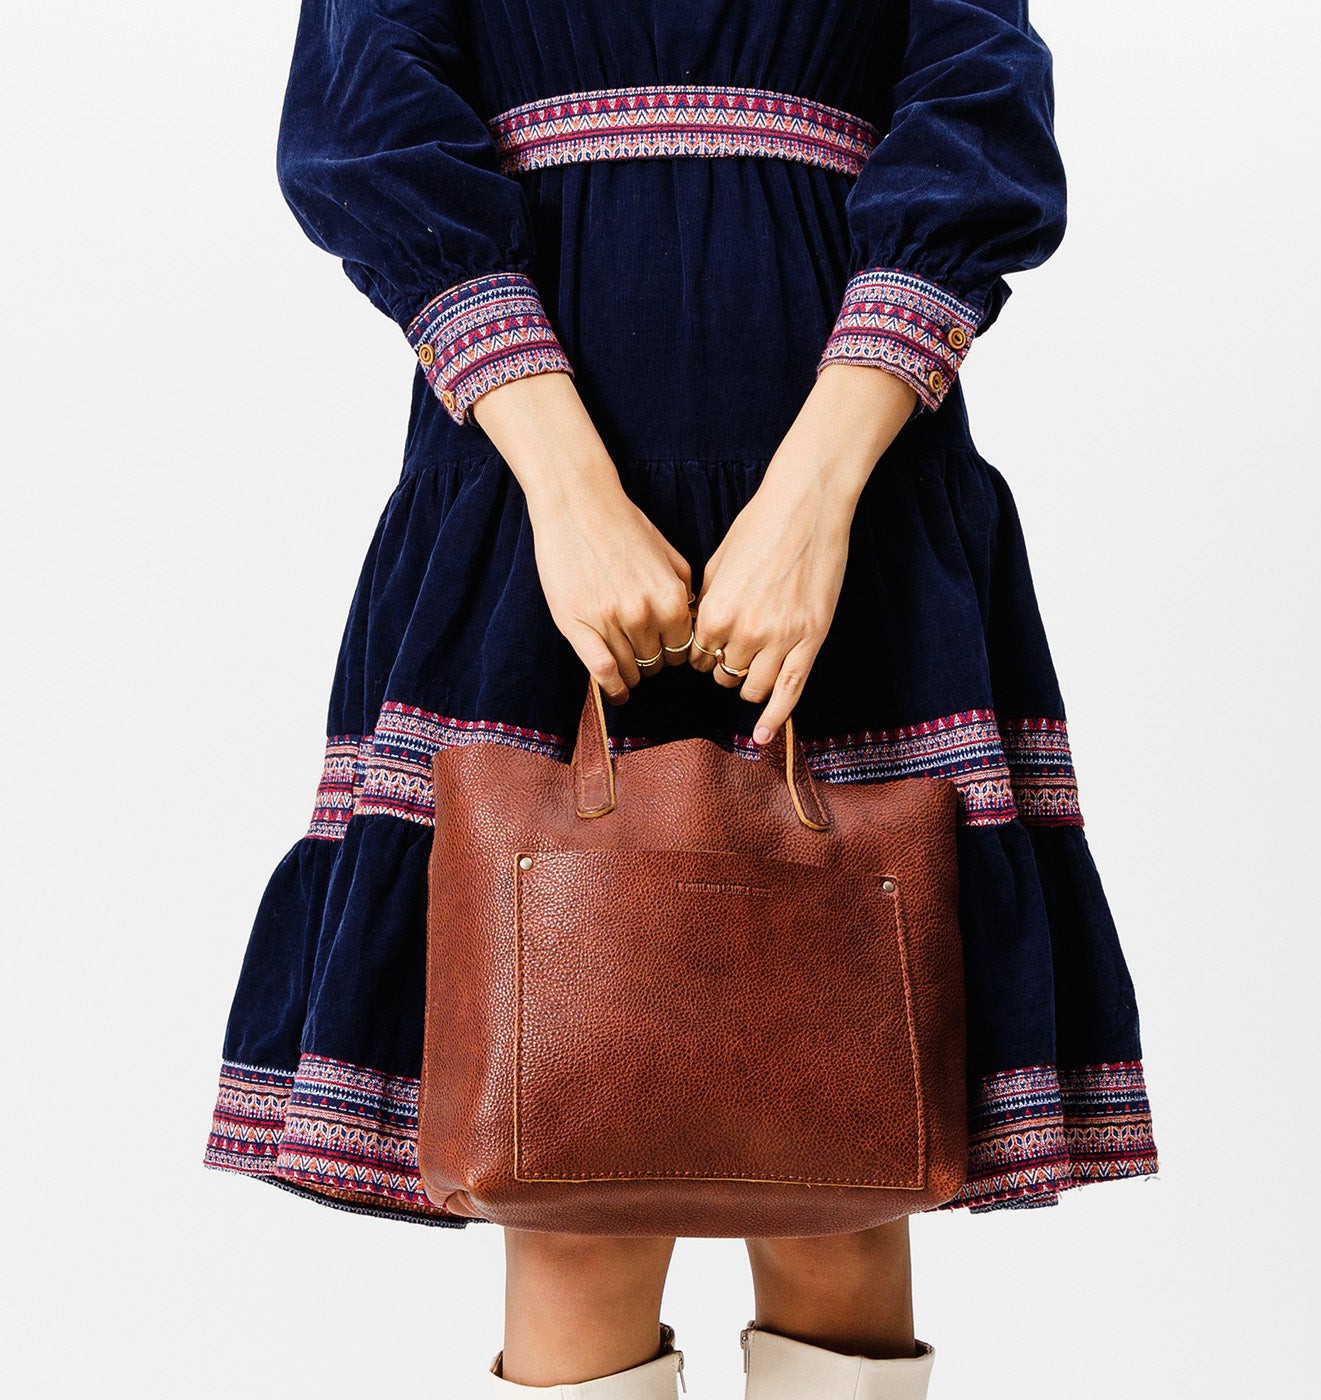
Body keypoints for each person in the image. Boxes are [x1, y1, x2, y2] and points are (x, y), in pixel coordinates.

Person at [203, 2, 1160, 1395]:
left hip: (855, 469)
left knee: (847, 1168)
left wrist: (815, 499)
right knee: (564, 1169)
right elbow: (366, 129)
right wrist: (570, 494)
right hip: (532, 480)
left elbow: (979, 107)